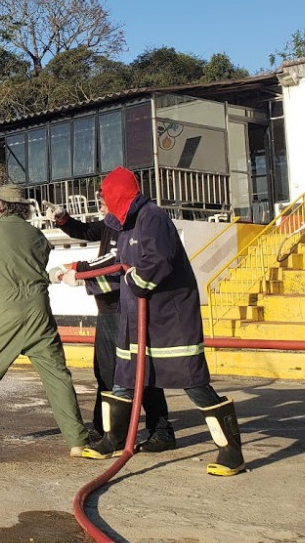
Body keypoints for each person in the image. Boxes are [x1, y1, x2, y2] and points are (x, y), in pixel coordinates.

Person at [85, 166, 245, 476]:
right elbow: (120, 267)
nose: (103, 203)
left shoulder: (152, 218)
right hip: (137, 320)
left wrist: (133, 281)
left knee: (193, 383)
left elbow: (156, 261)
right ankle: (113, 439)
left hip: (169, 320)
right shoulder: (125, 225)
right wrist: (80, 275)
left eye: (105, 197)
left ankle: (231, 450)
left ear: (119, 195)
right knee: (123, 379)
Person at [0, 184, 90, 456]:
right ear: (24, 208)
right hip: (39, 313)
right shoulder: (37, 236)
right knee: (58, 378)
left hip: (5, 314)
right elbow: (30, 260)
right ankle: (77, 440)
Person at [44, 197, 176, 454]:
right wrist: (63, 218)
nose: (100, 206)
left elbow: (114, 260)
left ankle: (161, 430)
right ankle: (104, 425)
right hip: (107, 312)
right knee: (105, 372)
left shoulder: (130, 226)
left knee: (140, 371)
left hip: (125, 309)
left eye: (104, 201)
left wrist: (75, 269)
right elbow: (83, 231)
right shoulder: (109, 223)